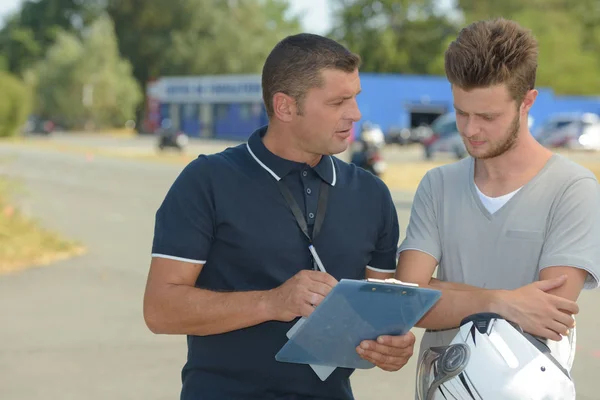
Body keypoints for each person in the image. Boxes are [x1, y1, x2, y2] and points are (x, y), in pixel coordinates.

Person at [144, 33, 415, 400]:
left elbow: (378, 312)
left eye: (355, 97)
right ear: (285, 107)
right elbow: (160, 310)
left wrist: (391, 345)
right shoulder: (207, 181)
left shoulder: (372, 195)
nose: (355, 114)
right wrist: (272, 302)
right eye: (338, 101)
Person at [395, 17, 600, 395]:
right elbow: (406, 302)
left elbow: (546, 315)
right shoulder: (436, 185)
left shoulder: (573, 188)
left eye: (487, 117)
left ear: (527, 101)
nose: (470, 130)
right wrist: (501, 301)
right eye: (460, 112)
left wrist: (438, 291)